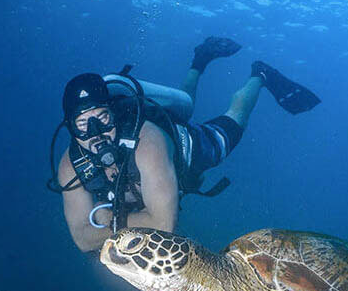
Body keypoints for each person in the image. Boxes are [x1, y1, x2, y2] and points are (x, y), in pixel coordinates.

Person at [53, 37, 321, 252]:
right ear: (70, 129)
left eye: (102, 118)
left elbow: (163, 225)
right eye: (83, 125)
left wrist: (105, 221)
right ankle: (200, 58)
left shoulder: (148, 143)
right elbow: (82, 240)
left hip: (190, 149)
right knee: (185, 106)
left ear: (114, 114)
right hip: (165, 135)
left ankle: (260, 75)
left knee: (234, 121)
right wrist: (122, 222)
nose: (96, 134)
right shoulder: (72, 165)